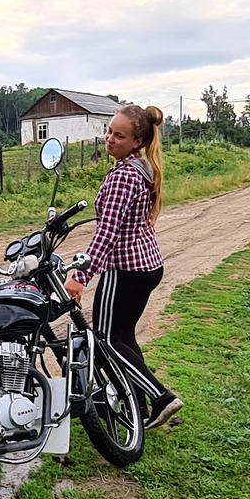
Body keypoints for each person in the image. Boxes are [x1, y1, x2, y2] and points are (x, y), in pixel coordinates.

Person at [64, 104, 183, 430]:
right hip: (147, 266)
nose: (109, 139)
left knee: (105, 340)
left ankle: (160, 398)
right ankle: (141, 406)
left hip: (126, 270)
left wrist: (81, 276)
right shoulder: (142, 169)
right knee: (123, 336)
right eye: (109, 131)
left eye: (119, 135)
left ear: (136, 142)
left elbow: (108, 233)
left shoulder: (123, 177)